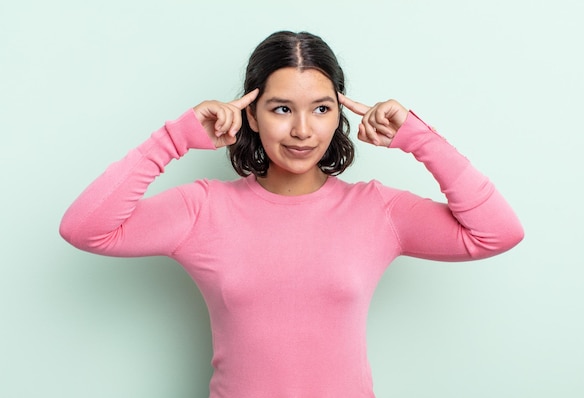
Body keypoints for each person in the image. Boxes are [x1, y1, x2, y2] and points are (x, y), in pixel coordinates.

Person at [60, 31, 524, 397]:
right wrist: (174, 139)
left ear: (338, 114)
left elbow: (497, 233)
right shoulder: (203, 208)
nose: (303, 130)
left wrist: (419, 138)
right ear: (253, 114)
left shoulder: (377, 209)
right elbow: (85, 229)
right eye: (282, 108)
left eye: (321, 109)